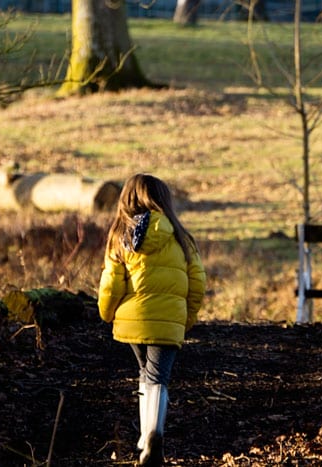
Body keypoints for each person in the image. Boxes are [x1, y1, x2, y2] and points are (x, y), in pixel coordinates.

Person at [97, 173, 206, 466]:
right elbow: (198, 283)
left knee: (145, 373)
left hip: (132, 319)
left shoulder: (121, 236)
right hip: (168, 320)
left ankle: (145, 440)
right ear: (164, 200)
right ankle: (152, 438)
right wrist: (187, 318)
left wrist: (106, 313)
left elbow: (112, 283)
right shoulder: (182, 237)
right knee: (159, 377)